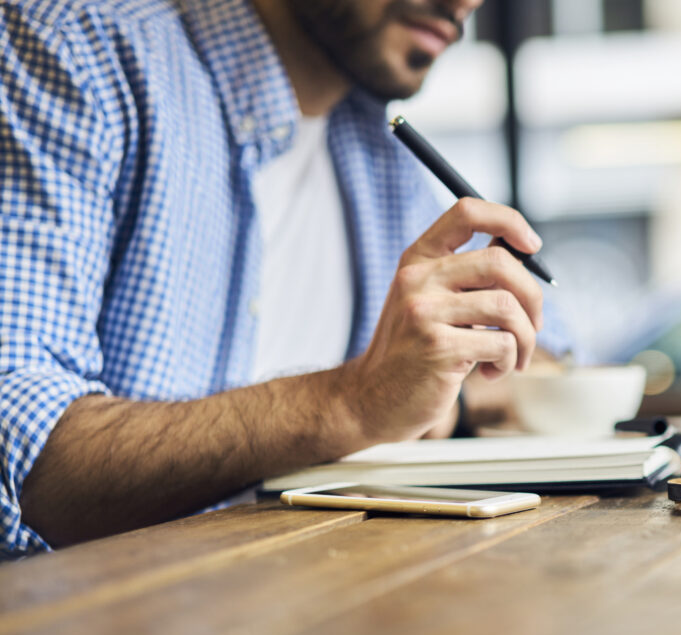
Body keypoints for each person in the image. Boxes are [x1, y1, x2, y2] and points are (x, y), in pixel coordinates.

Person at [0, 0, 562, 557]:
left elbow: (547, 358)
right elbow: (18, 453)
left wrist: (446, 400)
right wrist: (353, 404)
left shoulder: (375, 140)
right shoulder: (72, 49)